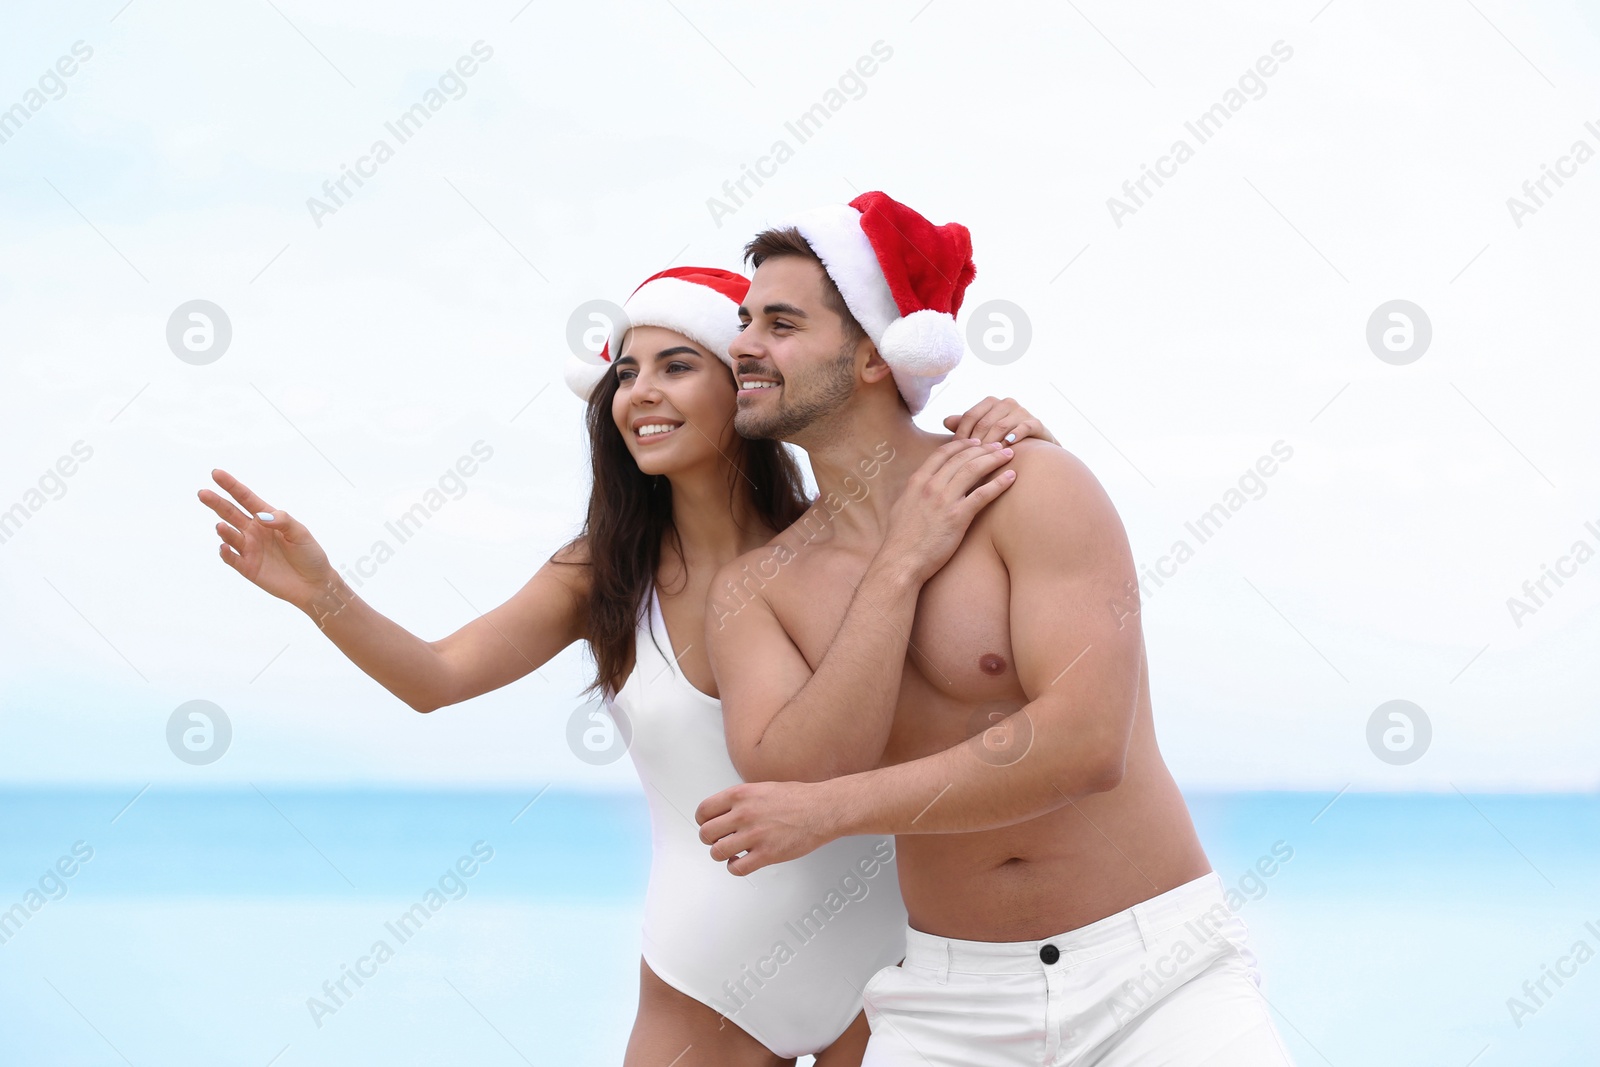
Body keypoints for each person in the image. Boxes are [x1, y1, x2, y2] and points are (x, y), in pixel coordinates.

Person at [196, 263, 1059, 1067]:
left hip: (899, 964)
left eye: (676, 366)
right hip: (707, 979)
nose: (639, 391)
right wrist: (322, 594)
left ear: (746, 384)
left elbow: (994, 639)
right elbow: (435, 677)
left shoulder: (858, 539)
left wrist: (1026, 439)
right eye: (626, 372)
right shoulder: (602, 572)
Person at [695, 192, 1297, 1065]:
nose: (743, 343)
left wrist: (829, 810)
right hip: (950, 999)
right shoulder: (755, 592)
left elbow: (1085, 744)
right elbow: (791, 773)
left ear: (875, 354)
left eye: (779, 323)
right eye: (745, 320)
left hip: (1158, 974)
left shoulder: (1035, 487)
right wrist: (898, 567)